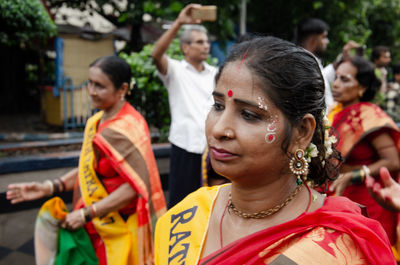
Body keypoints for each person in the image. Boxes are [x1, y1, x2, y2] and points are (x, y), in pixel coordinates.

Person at [154, 36, 396, 264]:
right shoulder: (188, 215)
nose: (219, 129)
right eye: (217, 106)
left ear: (301, 132)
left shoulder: (336, 244)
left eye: (249, 115)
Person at [7, 56, 166, 265]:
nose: (91, 91)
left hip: (120, 227)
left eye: (99, 86)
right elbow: (89, 170)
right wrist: (50, 187)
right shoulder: (97, 121)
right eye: (90, 83)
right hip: (96, 223)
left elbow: (136, 186)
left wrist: (86, 214)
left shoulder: (127, 128)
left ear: (122, 89)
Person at [329, 56, 400, 256]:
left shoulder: (369, 117)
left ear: (362, 88)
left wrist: (354, 175)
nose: (335, 84)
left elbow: (393, 161)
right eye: (336, 78)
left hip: (368, 201)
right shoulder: (333, 113)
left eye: (345, 80)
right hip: (339, 196)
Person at [151, 4, 218, 208]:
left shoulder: (215, 73)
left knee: (210, 204)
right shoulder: (175, 70)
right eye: (199, 42)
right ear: (185, 47)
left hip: (211, 148)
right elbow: (156, 54)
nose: (205, 46)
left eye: (206, 42)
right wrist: (179, 22)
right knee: (181, 205)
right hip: (184, 146)